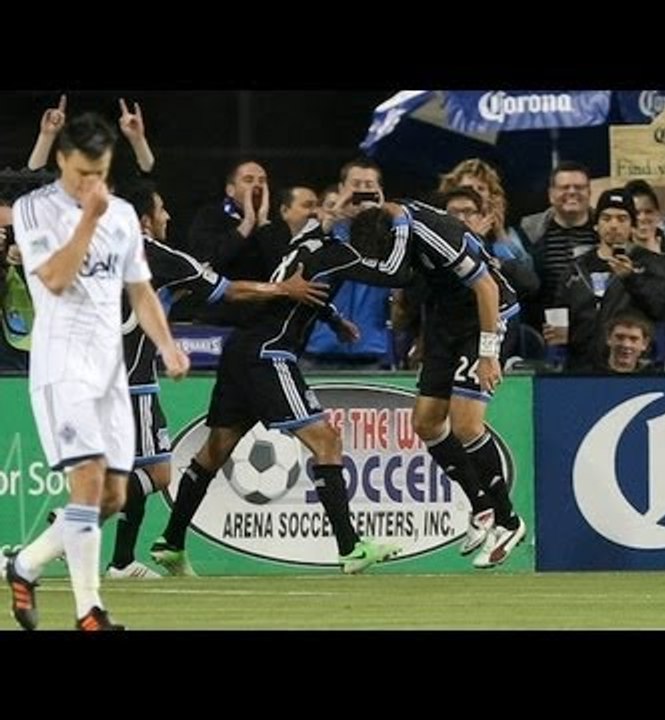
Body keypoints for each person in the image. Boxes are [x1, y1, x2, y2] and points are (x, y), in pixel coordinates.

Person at [4, 113, 189, 631]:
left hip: (111, 373)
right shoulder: (34, 210)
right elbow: (56, 279)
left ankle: (25, 564)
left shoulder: (123, 215)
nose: (92, 183)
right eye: (83, 172)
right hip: (62, 368)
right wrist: (88, 220)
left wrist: (168, 346)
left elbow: (140, 290)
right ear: (63, 160)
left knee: (111, 496)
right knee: (87, 481)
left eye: (100, 173)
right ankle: (90, 611)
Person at [149, 223, 402, 576]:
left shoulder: (305, 246)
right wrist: (406, 230)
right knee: (327, 441)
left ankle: (171, 542)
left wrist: (334, 319)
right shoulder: (340, 253)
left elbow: (306, 289)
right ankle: (351, 547)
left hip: (241, 348)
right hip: (269, 352)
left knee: (215, 449)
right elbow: (393, 274)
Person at [105, 180, 328, 578]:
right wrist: (283, 288)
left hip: (90, 378)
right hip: (131, 382)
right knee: (157, 473)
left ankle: (121, 561)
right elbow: (230, 291)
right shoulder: (155, 255)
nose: (167, 216)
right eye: (161, 209)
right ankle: (65, 525)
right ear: (143, 220)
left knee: (130, 468)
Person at [348, 200, 527, 568]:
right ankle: (481, 508)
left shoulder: (433, 235)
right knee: (426, 422)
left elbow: (487, 288)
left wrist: (488, 353)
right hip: (447, 322)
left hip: (487, 316)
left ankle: (509, 522)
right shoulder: (386, 224)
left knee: (466, 424)